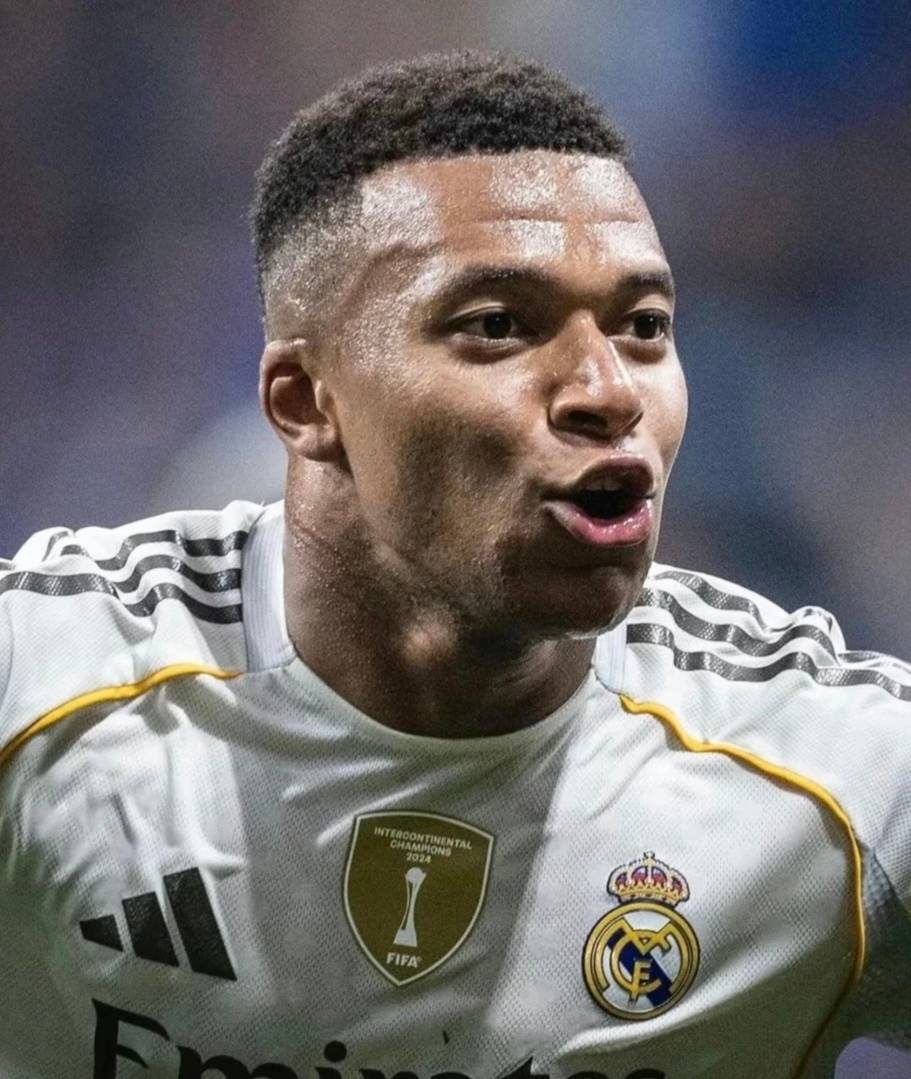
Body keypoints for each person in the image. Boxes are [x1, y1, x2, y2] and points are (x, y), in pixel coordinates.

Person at [0, 51, 908, 1079]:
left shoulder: (837, 786)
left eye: (643, 327)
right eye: (497, 327)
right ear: (304, 402)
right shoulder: (44, 687)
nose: (608, 388)